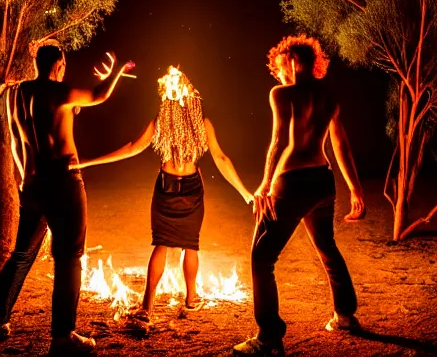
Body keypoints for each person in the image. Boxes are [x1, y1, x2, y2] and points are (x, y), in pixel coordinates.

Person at [71, 65, 253, 331]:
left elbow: (133, 148)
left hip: (166, 186)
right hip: (192, 188)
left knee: (162, 244)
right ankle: (191, 299)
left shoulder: (161, 122)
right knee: (190, 244)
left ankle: (147, 307)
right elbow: (221, 159)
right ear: (191, 94)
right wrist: (245, 193)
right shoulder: (203, 123)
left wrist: (89, 161)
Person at [234, 35, 366, 356]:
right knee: (327, 247)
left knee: (262, 258)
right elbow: (341, 145)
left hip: (292, 182)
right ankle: (346, 315)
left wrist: (265, 184)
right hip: (323, 180)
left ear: (293, 62)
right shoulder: (329, 94)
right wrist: (355, 189)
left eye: (281, 67)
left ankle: (268, 339)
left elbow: (278, 141)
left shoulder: (282, 94)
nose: (279, 75)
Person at [0, 44, 134, 355]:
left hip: (31, 185)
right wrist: (117, 72)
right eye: (64, 64)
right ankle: (63, 336)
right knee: (70, 257)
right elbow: (100, 95)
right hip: (63, 182)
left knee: (21, 254)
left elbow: (48, 120)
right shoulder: (59, 92)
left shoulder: (14, 94)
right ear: (59, 64)